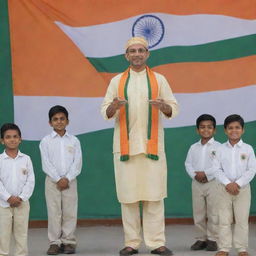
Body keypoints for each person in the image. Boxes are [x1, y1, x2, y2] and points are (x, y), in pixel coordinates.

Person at [101, 37, 178, 256]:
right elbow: (105, 111)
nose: (137, 54)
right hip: (125, 149)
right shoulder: (116, 81)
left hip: (152, 148)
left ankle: (156, 243)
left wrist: (163, 106)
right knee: (128, 197)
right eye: (132, 51)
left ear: (147, 54)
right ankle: (131, 242)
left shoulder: (159, 80)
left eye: (141, 50)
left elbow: (174, 107)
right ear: (126, 55)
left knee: (154, 197)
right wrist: (113, 106)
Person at [39, 105, 82, 255]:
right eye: (55, 119)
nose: (59, 122)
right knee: (54, 212)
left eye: (62, 118)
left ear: (67, 121)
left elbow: (77, 163)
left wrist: (67, 178)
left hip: (70, 181)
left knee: (70, 211)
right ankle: (55, 242)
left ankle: (69, 241)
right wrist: (58, 179)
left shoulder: (74, 140)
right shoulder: (45, 141)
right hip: (52, 182)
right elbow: (46, 163)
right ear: (50, 123)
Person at [214, 114, 256, 256]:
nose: (234, 130)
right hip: (223, 189)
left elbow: (252, 170)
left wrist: (237, 184)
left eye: (237, 127)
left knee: (242, 220)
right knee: (224, 219)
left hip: (242, 190)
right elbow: (216, 169)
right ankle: (224, 248)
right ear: (225, 130)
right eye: (230, 128)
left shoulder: (248, 149)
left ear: (243, 130)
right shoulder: (220, 149)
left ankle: (241, 248)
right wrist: (227, 184)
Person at [185, 114, 220, 251]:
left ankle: (212, 239)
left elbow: (218, 165)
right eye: (202, 127)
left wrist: (205, 174)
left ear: (214, 130)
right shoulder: (193, 147)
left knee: (213, 212)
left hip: (213, 183)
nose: (206, 130)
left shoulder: (218, 147)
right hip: (197, 183)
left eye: (209, 127)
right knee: (198, 212)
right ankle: (200, 239)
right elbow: (188, 164)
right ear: (197, 130)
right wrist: (195, 175)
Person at [0, 123, 35, 256]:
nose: (12, 139)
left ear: (20, 139)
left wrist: (21, 198)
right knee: (3, 234)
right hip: (3, 204)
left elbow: (30, 181)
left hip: (22, 203)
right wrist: (8, 197)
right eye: (8, 137)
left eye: (15, 136)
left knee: (21, 233)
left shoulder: (26, 159)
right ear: (2, 140)